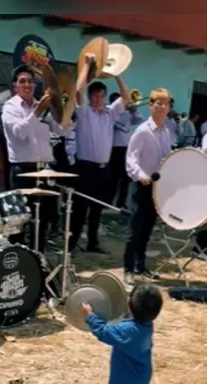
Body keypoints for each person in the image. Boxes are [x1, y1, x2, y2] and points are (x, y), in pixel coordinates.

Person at [81, 283, 162, 384]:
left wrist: (90, 316)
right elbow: (127, 322)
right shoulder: (146, 325)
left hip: (124, 380)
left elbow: (103, 332)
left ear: (130, 306)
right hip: (141, 376)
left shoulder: (127, 331)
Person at [1, 64, 67, 252]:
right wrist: (38, 111)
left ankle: (38, 258)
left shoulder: (42, 104)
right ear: (15, 86)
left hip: (44, 170)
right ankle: (16, 259)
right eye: (22, 81)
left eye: (30, 81)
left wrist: (65, 107)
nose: (27, 85)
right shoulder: (10, 107)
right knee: (19, 222)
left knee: (42, 220)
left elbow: (62, 129)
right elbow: (20, 132)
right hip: (23, 171)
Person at [68, 63, 129, 254]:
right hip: (85, 168)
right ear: (90, 97)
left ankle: (92, 243)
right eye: (95, 96)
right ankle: (70, 245)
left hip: (104, 169)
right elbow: (78, 91)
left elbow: (126, 98)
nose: (99, 99)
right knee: (79, 210)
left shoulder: (110, 114)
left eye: (102, 96)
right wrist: (86, 68)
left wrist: (117, 75)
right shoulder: (84, 112)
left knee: (97, 209)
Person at [123, 89, 174, 283]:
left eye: (165, 104)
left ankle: (140, 267)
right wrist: (141, 175)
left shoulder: (167, 131)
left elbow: (166, 158)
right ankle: (128, 270)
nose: (162, 107)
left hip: (156, 188)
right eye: (158, 103)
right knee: (134, 231)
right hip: (140, 186)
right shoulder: (143, 130)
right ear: (151, 106)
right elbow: (131, 158)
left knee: (147, 230)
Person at [110, 94, 144, 208]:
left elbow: (140, 120)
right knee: (113, 178)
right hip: (115, 148)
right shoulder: (111, 115)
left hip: (126, 149)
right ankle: (109, 202)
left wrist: (134, 111)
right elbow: (118, 125)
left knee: (126, 178)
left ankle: (121, 203)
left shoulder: (128, 114)